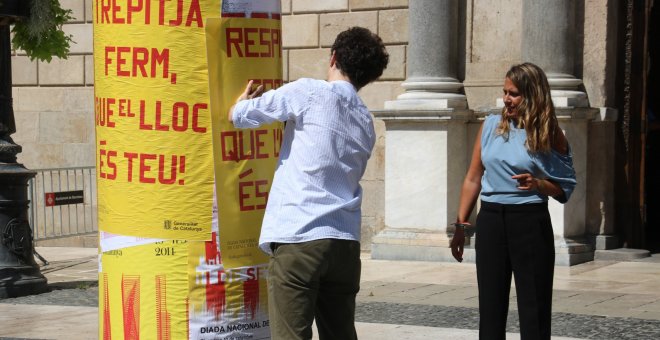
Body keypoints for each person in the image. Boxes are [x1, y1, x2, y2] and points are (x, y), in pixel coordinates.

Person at [228, 27, 389, 340]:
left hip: (300, 234)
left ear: (333, 57)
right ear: (368, 77)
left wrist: (239, 104)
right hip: (343, 241)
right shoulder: (365, 121)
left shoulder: (310, 92)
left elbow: (240, 115)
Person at [450, 62, 577, 340]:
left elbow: (565, 185)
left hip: (530, 222)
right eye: (505, 92)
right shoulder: (491, 125)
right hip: (492, 221)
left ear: (533, 95)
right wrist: (461, 224)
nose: (506, 99)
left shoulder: (549, 132)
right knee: (491, 309)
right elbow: (473, 177)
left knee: (534, 308)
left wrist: (539, 184)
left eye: (514, 93)